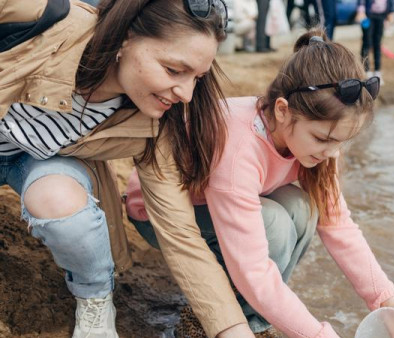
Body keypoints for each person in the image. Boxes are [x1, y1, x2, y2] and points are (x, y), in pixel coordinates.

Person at [126, 29, 394, 337]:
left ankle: (257, 318)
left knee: (304, 208)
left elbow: (339, 226)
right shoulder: (239, 148)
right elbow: (254, 270)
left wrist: (385, 299)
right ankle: (226, 319)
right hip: (160, 212)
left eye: (341, 142)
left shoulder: (317, 145)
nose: (332, 153)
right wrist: (319, 334)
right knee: (275, 224)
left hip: (220, 206)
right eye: (323, 139)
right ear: (282, 110)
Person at [0, 0, 255, 337]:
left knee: (60, 203)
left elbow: (179, 233)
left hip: (40, 163)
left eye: (198, 77)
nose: (187, 93)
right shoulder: (46, 18)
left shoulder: (155, 124)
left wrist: (231, 330)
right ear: (126, 38)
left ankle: (95, 301)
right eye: (173, 70)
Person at [356, 0, 394, 85]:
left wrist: (391, 11)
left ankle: (377, 71)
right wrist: (360, 11)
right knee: (366, 43)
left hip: (381, 16)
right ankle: (366, 71)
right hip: (368, 15)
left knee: (378, 44)